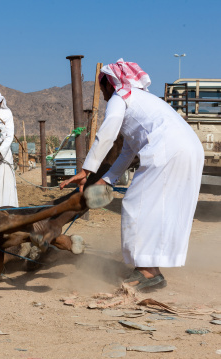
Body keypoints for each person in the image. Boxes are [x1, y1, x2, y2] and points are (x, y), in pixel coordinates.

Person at [61, 59, 204, 291]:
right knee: (159, 209)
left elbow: (107, 132)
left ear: (110, 84)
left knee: (136, 204)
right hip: (189, 150)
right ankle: (152, 270)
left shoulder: (121, 97)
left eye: (102, 88)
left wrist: (86, 170)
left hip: (168, 150)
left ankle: (147, 272)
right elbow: (128, 150)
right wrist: (107, 179)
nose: (103, 94)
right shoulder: (144, 100)